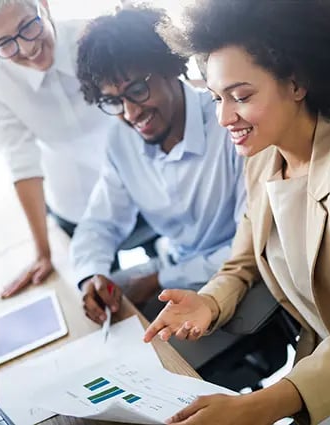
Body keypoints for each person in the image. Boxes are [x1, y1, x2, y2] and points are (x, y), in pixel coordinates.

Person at [143, 1, 330, 424]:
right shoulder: (264, 160)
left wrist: (252, 409)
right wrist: (209, 301)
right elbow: (241, 266)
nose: (225, 117)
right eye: (216, 98)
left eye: (241, 96)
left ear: (297, 82)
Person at [71, 6, 245, 323]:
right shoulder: (121, 140)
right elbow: (99, 224)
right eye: (113, 101)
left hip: (231, 280)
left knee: (141, 349)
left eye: (137, 90)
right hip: (173, 266)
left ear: (170, 66)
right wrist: (91, 276)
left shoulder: (230, 124)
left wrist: (161, 279)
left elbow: (251, 246)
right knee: (88, 318)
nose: (130, 113)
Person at [0, 0, 117, 297]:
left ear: (43, 5)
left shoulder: (91, 35)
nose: (26, 48)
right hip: (77, 204)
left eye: (27, 26)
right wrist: (42, 253)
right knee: (102, 295)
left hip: (144, 182)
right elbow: (20, 160)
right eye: (5, 42)